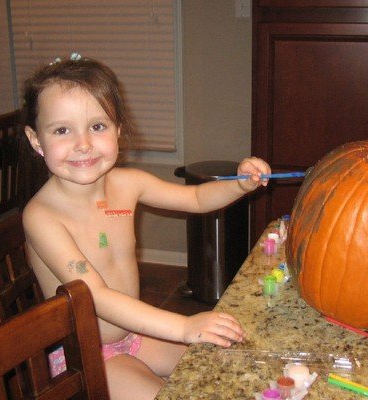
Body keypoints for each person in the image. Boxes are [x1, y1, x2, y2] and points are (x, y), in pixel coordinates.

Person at [21, 54, 271, 400]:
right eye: (62, 130)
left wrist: (239, 184)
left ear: (118, 130)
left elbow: (197, 198)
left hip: (133, 336)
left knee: (223, 369)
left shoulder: (128, 184)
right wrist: (184, 326)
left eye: (97, 126)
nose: (83, 144)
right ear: (36, 140)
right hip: (84, 357)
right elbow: (96, 297)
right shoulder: (42, 216)